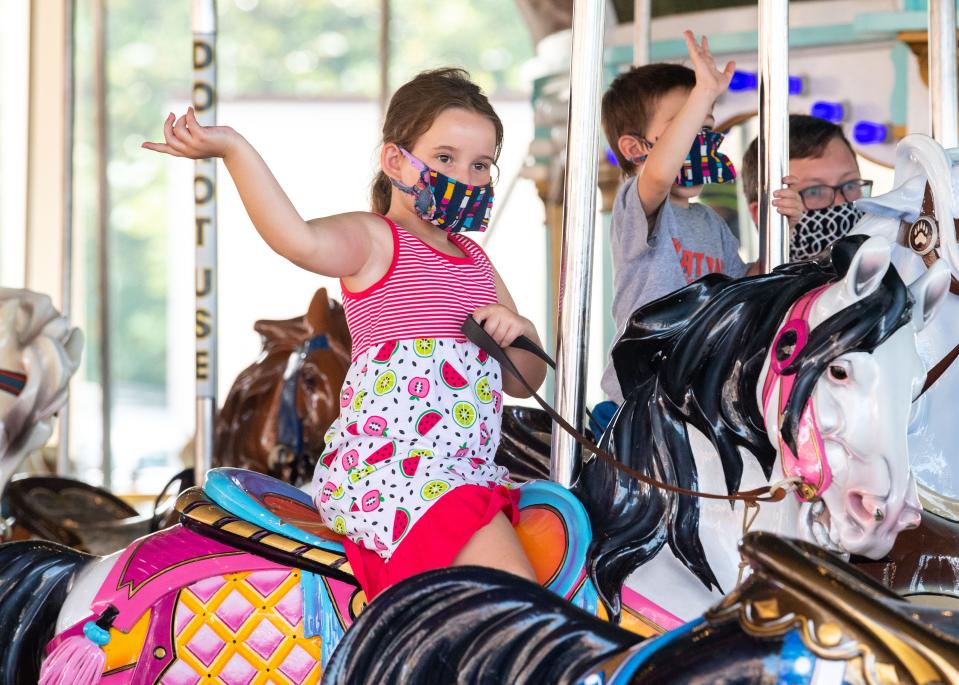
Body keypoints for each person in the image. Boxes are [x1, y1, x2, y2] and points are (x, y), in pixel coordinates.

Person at [143, 68, 545, 600]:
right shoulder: (377, 239)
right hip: (396, 472)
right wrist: (234, 150)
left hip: (468, 472)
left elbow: (524, 382)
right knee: (517, 603)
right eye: (445, 159)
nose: (465, 178)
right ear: (396, 160)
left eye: (480, 165)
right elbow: (298, 238)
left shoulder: (475, 261)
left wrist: (523, 331)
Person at [599, 31, 747, 406]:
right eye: (686, 127)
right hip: (646, 390)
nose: (700, 141)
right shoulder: (639, 204)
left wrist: (789, 229)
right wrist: (703, 94)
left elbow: (746, 284)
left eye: (706, 128)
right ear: (635, 149)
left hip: (702, 386)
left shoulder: (710, 223)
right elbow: (660, 175)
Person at [740, 113, 873, 261]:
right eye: (814, 192)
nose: (841, 203)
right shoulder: (754, 284)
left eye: (850, 185)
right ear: (761, 215)